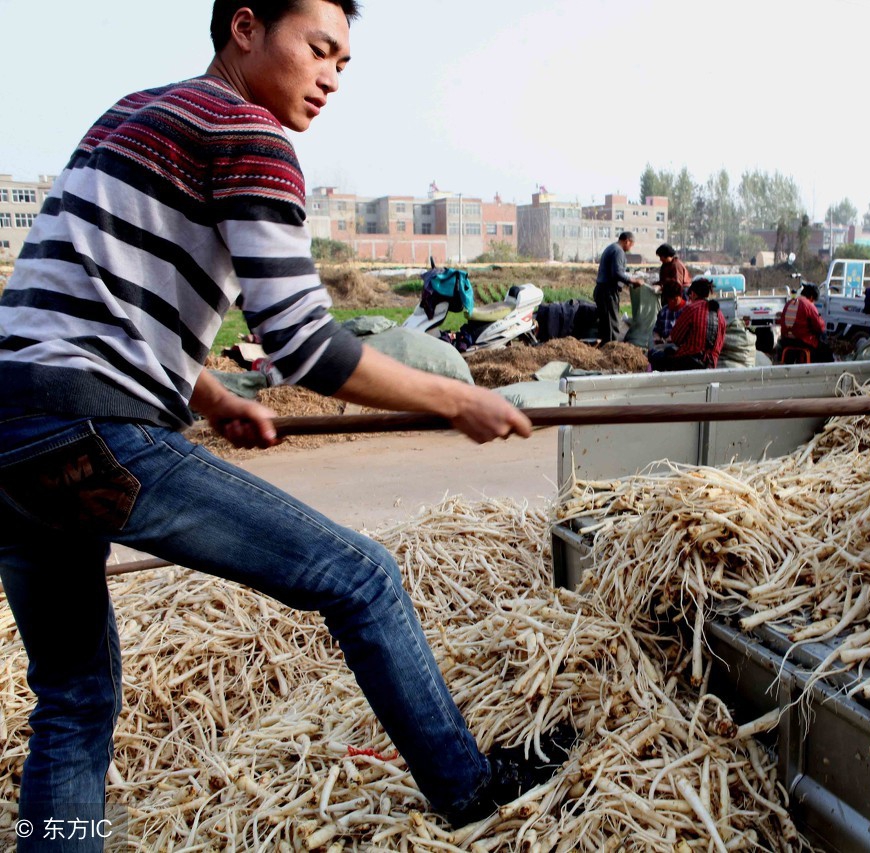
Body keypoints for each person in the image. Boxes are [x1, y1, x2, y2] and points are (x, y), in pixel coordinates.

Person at [0, 1, 561, 843]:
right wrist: (460, 397)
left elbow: (91, 305)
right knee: (362, 577)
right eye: (319, 48)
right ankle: (472, 792)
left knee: (74, 692)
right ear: (246, 27)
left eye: (344, 61)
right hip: (94, 432)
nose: (332, 75)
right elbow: (306, 347)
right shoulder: (248, 133)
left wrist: (213, 395)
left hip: (11, 431)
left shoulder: (128, 117)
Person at [649, 278, 726, 371]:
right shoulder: (720, 315)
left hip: (689, 361)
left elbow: (676, 338)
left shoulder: (692, 309)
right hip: (711, 363)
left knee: (654, 355)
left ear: (693, 294)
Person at [593, 231, 643, 343]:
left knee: (605, 324)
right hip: (608, 292)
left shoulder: (611, 248)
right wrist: (632, 281)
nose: (630, 248)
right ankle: (612, 350)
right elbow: (617, 273)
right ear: (627, 241)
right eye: (631, 245)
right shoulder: (618, 251)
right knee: (612, 323)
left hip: (601, 290)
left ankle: (603, 348)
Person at [777, 284, 833, 363]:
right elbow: (820, 326)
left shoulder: (789, 302)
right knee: (824, 346)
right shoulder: (808, 305)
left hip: (786, 340)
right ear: (811, 297)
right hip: (801, 341)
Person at [653, 280, 687, 346]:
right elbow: (656, 330)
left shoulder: (688, 310)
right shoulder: (664, 311)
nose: (669, 302)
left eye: (670, 300)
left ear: (677, 298)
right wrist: (657, 339)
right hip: (665, 347)